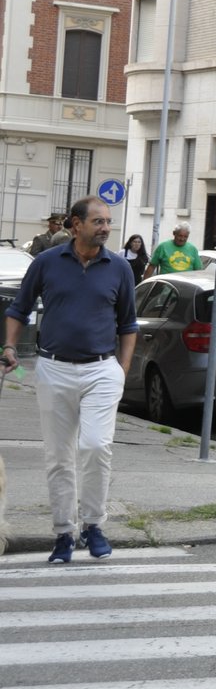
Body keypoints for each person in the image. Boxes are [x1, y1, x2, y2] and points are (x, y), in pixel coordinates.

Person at [2, 197, 137, 564]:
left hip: (101, 369)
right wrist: (10, 347)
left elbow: (128, 324)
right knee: (59, 456)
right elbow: (19, 308)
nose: (106, 227)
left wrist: (121, 370)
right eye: (98, 221)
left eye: (108, 221)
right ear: (75, 225)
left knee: (95, 446)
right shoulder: (46, 263)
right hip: (54, 369)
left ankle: (94, 525)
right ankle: (64, 532)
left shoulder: (120, 267)